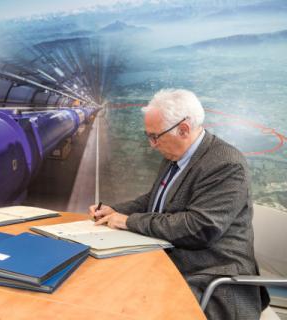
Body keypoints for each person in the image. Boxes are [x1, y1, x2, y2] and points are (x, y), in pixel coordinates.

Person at [89, 89, 268, 320]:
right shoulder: (176, 154)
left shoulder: (226, 164)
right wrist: (116, 210)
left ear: (183, 129)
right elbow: (154, 200)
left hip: (212, 277)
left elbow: (199, 228)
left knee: (131, 307)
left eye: (155, 136)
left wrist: (128, 221)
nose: (152, 144)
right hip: (172, 263)